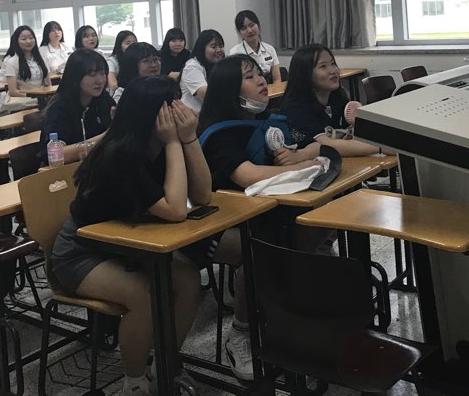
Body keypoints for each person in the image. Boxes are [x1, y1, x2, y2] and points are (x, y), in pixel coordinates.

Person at [51, 76, 211, 396]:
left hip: (125, 243)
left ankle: (165, 365)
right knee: (143, 295)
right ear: (152, 115)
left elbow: (203, 195)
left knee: (188, 279)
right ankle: (134, 383)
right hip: (80, 252)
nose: (182, 111)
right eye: (173, 106)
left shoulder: (158, 144)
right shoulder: (118, 154)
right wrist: (173, 142)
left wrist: (188, 138)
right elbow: (176, 210)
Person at [196, 55, 325, 380]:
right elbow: (248, 176)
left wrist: (300, 155)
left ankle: (292, 318)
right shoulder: (218, 133)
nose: (261, 80)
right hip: (215, 224)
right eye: (249, 77)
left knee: (308, 227)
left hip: (264, 215)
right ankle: (241, 333)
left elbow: (310, 145)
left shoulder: (268, 120)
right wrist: (303, 166)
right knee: (260, 248)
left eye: (260, 74)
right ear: (229, 89)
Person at [280, 44, 381, 157]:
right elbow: (326, 145)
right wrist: (380, 147)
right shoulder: (295, 108)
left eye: (333, 64)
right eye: (323, 66)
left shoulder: (338, 96)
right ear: (305, 74)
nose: (333, 71)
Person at [39, 49, 116, 163]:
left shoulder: (103, 99)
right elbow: (56, 155)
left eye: (102, 73)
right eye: (92, 75)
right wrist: (106, 136)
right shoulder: (59, 106)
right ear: (75, 77)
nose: (99, 80)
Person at [0, 25, 49, 114]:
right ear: (17, 41)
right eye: (23, 39)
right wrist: (35, 96)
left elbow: (48, 84)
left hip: (41, 100)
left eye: (31, 38)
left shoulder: (41, 59)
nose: (28, 41)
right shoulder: (12, 62)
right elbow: (13, 91)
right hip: (26, 102)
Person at [229, 10, 282, 84]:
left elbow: (277, 79)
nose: (249, 30)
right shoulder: (235, 53)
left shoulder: (270, 49)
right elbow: (235, 82)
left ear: (258, 25)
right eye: (244, 28)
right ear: (239, 33)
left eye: (252, 25)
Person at [180, 29, 225, 114]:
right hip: (192, 116)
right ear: (202, 48)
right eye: (213, 47)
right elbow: (206, 94)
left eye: (221, 46)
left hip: (210, 114)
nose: (219, 50)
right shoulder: (192, 67)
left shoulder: (217, 66)